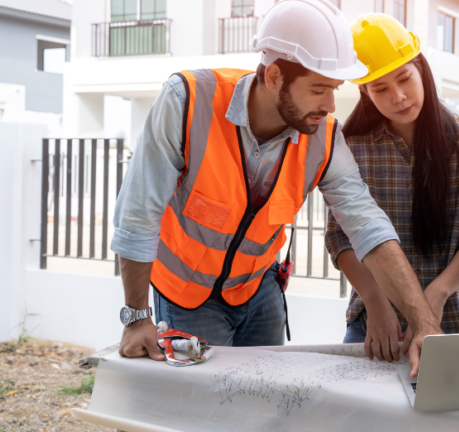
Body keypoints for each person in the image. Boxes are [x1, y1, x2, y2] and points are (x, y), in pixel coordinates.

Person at [111, 0, 441, 377]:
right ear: (273, 77)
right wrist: (137, 317)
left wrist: (424, 323)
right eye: (318, 89)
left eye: (334, 89)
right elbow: (138, 215)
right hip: (187, 299)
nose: (330, 105)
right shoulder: (188, 101)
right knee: (205, 412)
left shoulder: (324, 138)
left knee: (264, 403)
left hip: (258, 290)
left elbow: (368, 226)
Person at [325, 14, 459, 362]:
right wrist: (375, 299)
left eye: (405, 78)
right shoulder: (349, 146)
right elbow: (340, 238)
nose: (399, 96)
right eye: (381, 88)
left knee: (448, 417)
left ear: (422, 69)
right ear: (365, 93)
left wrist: (437, 292)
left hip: (456, 317)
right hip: (376, 321)